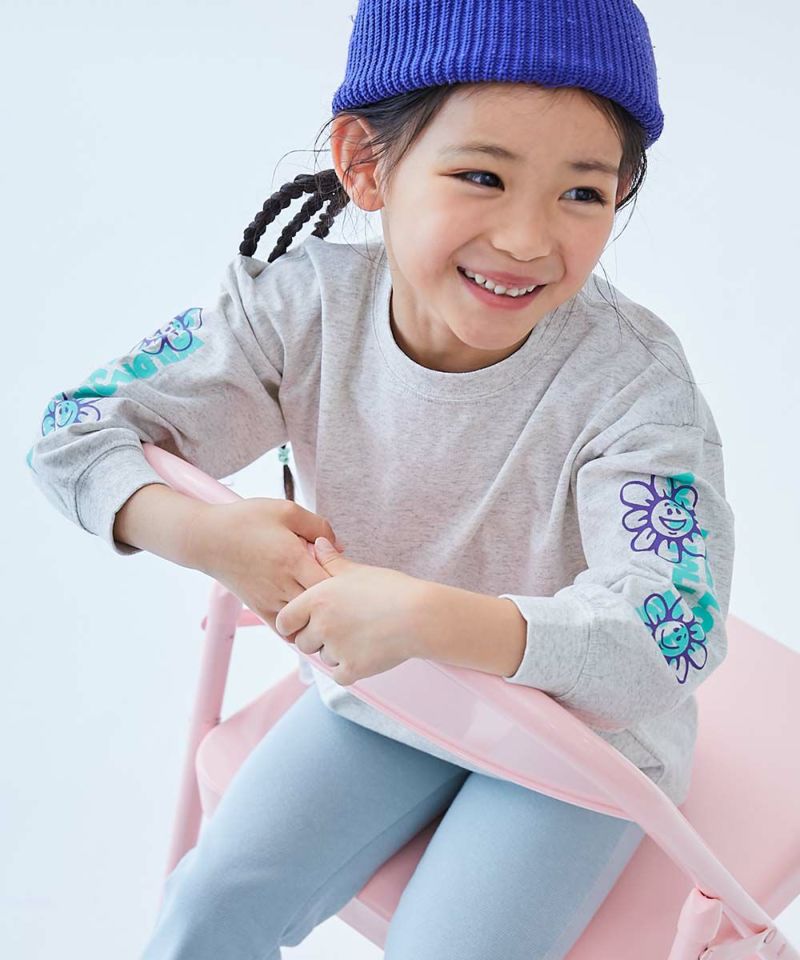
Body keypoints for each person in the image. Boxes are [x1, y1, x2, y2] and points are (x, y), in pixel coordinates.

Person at [26, 1, 736, 957]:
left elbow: (673, 629)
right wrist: (206, 536)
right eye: (482, 176)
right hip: (388, 694)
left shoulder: (634, 384)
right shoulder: (302, 308)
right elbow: (74, 431)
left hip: (584, 740)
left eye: (582, 193)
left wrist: (432, 618)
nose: (529, 239)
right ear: (366, 162)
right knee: (208, 907)